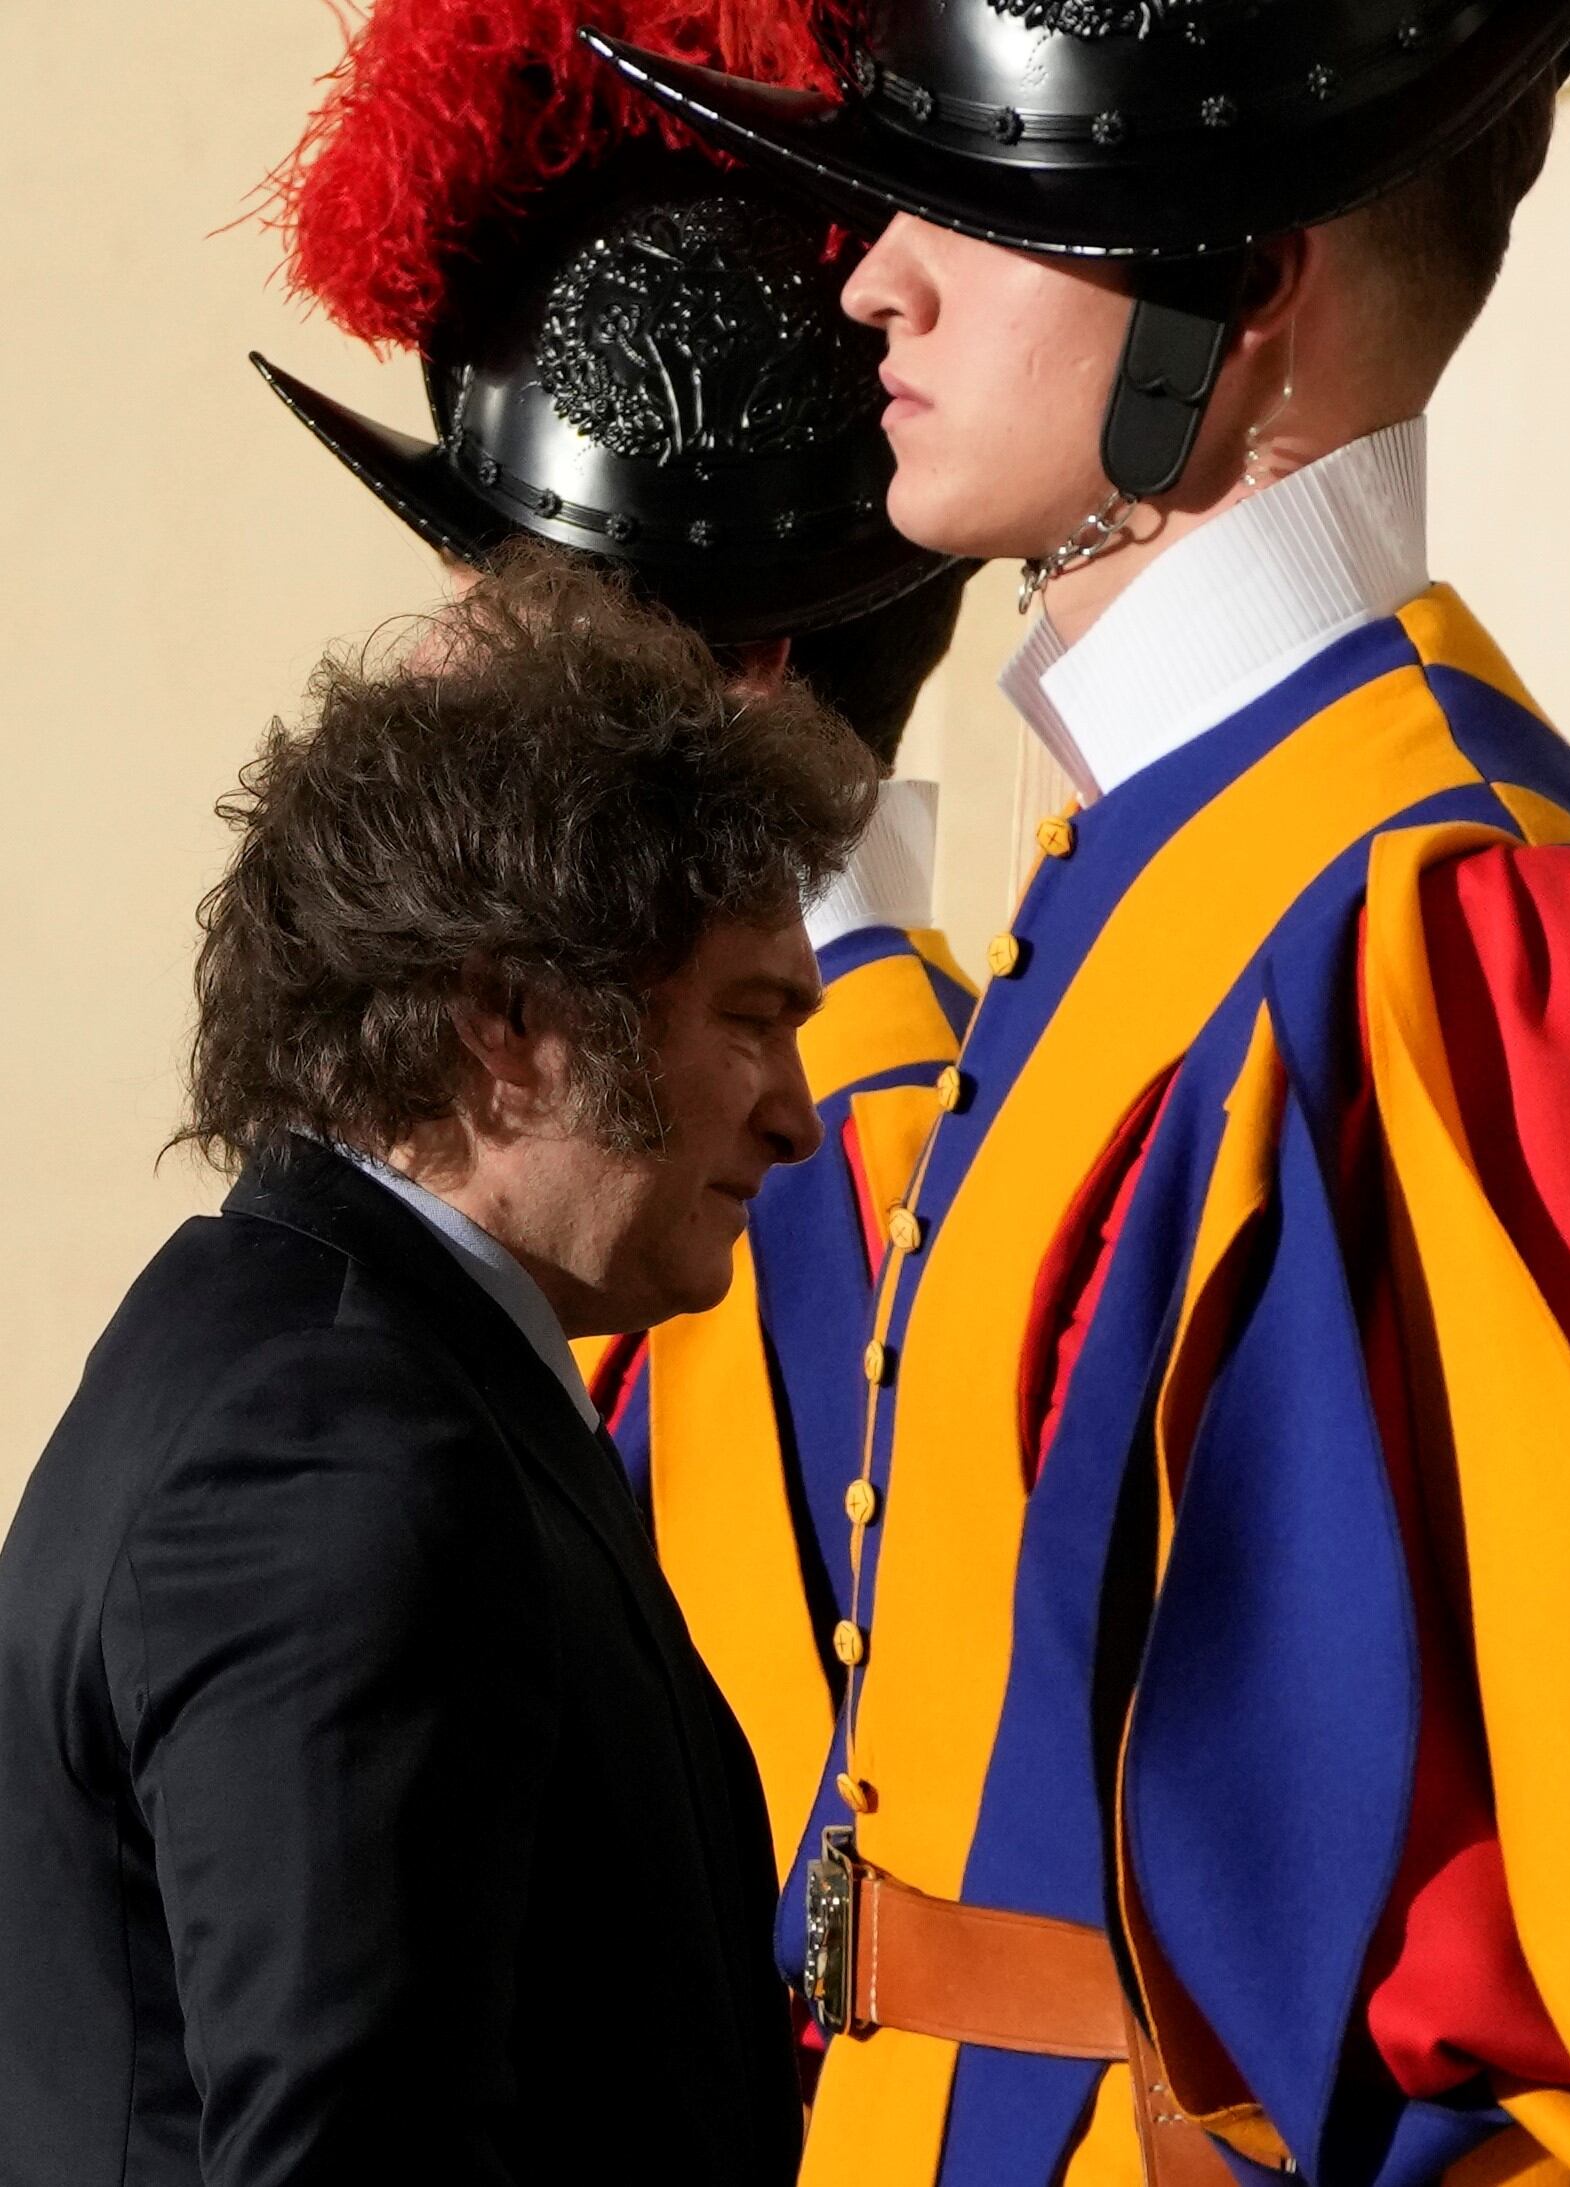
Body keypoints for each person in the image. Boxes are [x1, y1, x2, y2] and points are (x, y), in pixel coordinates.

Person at [593, 7, 1570, 2184]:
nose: (875, 277)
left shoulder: (1448, 921)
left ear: (1236, 286)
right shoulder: (1177, 853)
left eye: (988, 206)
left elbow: (1550, 1998)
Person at [254, 0, 982, 2010]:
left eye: (499, 624)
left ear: (709, 713)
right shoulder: (663, 1099)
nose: (421, 681)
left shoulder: (867, 1157)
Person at [0, 555, 875, 2186]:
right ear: (511, 1016)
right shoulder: (336, 1455)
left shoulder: (344, 1369)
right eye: (751, 1018)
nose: (794, 1111)